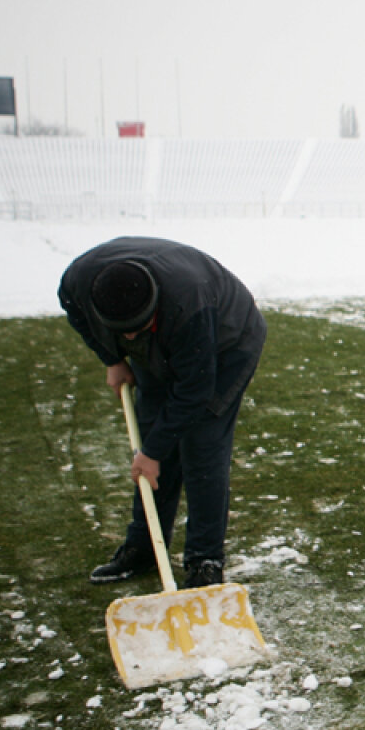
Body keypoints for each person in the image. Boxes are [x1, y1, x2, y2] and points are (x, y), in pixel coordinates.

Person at [59, 237, 267, 589]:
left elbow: (195, 390)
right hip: (159, 349)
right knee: (151, 437)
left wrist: (153, 452)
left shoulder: (190, 305)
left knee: (201, 446)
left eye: (136, 327)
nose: (128, 334)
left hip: (225, 347)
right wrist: (112, 359)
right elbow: (76, 313)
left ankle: (205, 561)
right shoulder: (78, 282)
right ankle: (143, 549)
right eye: (121, 330)